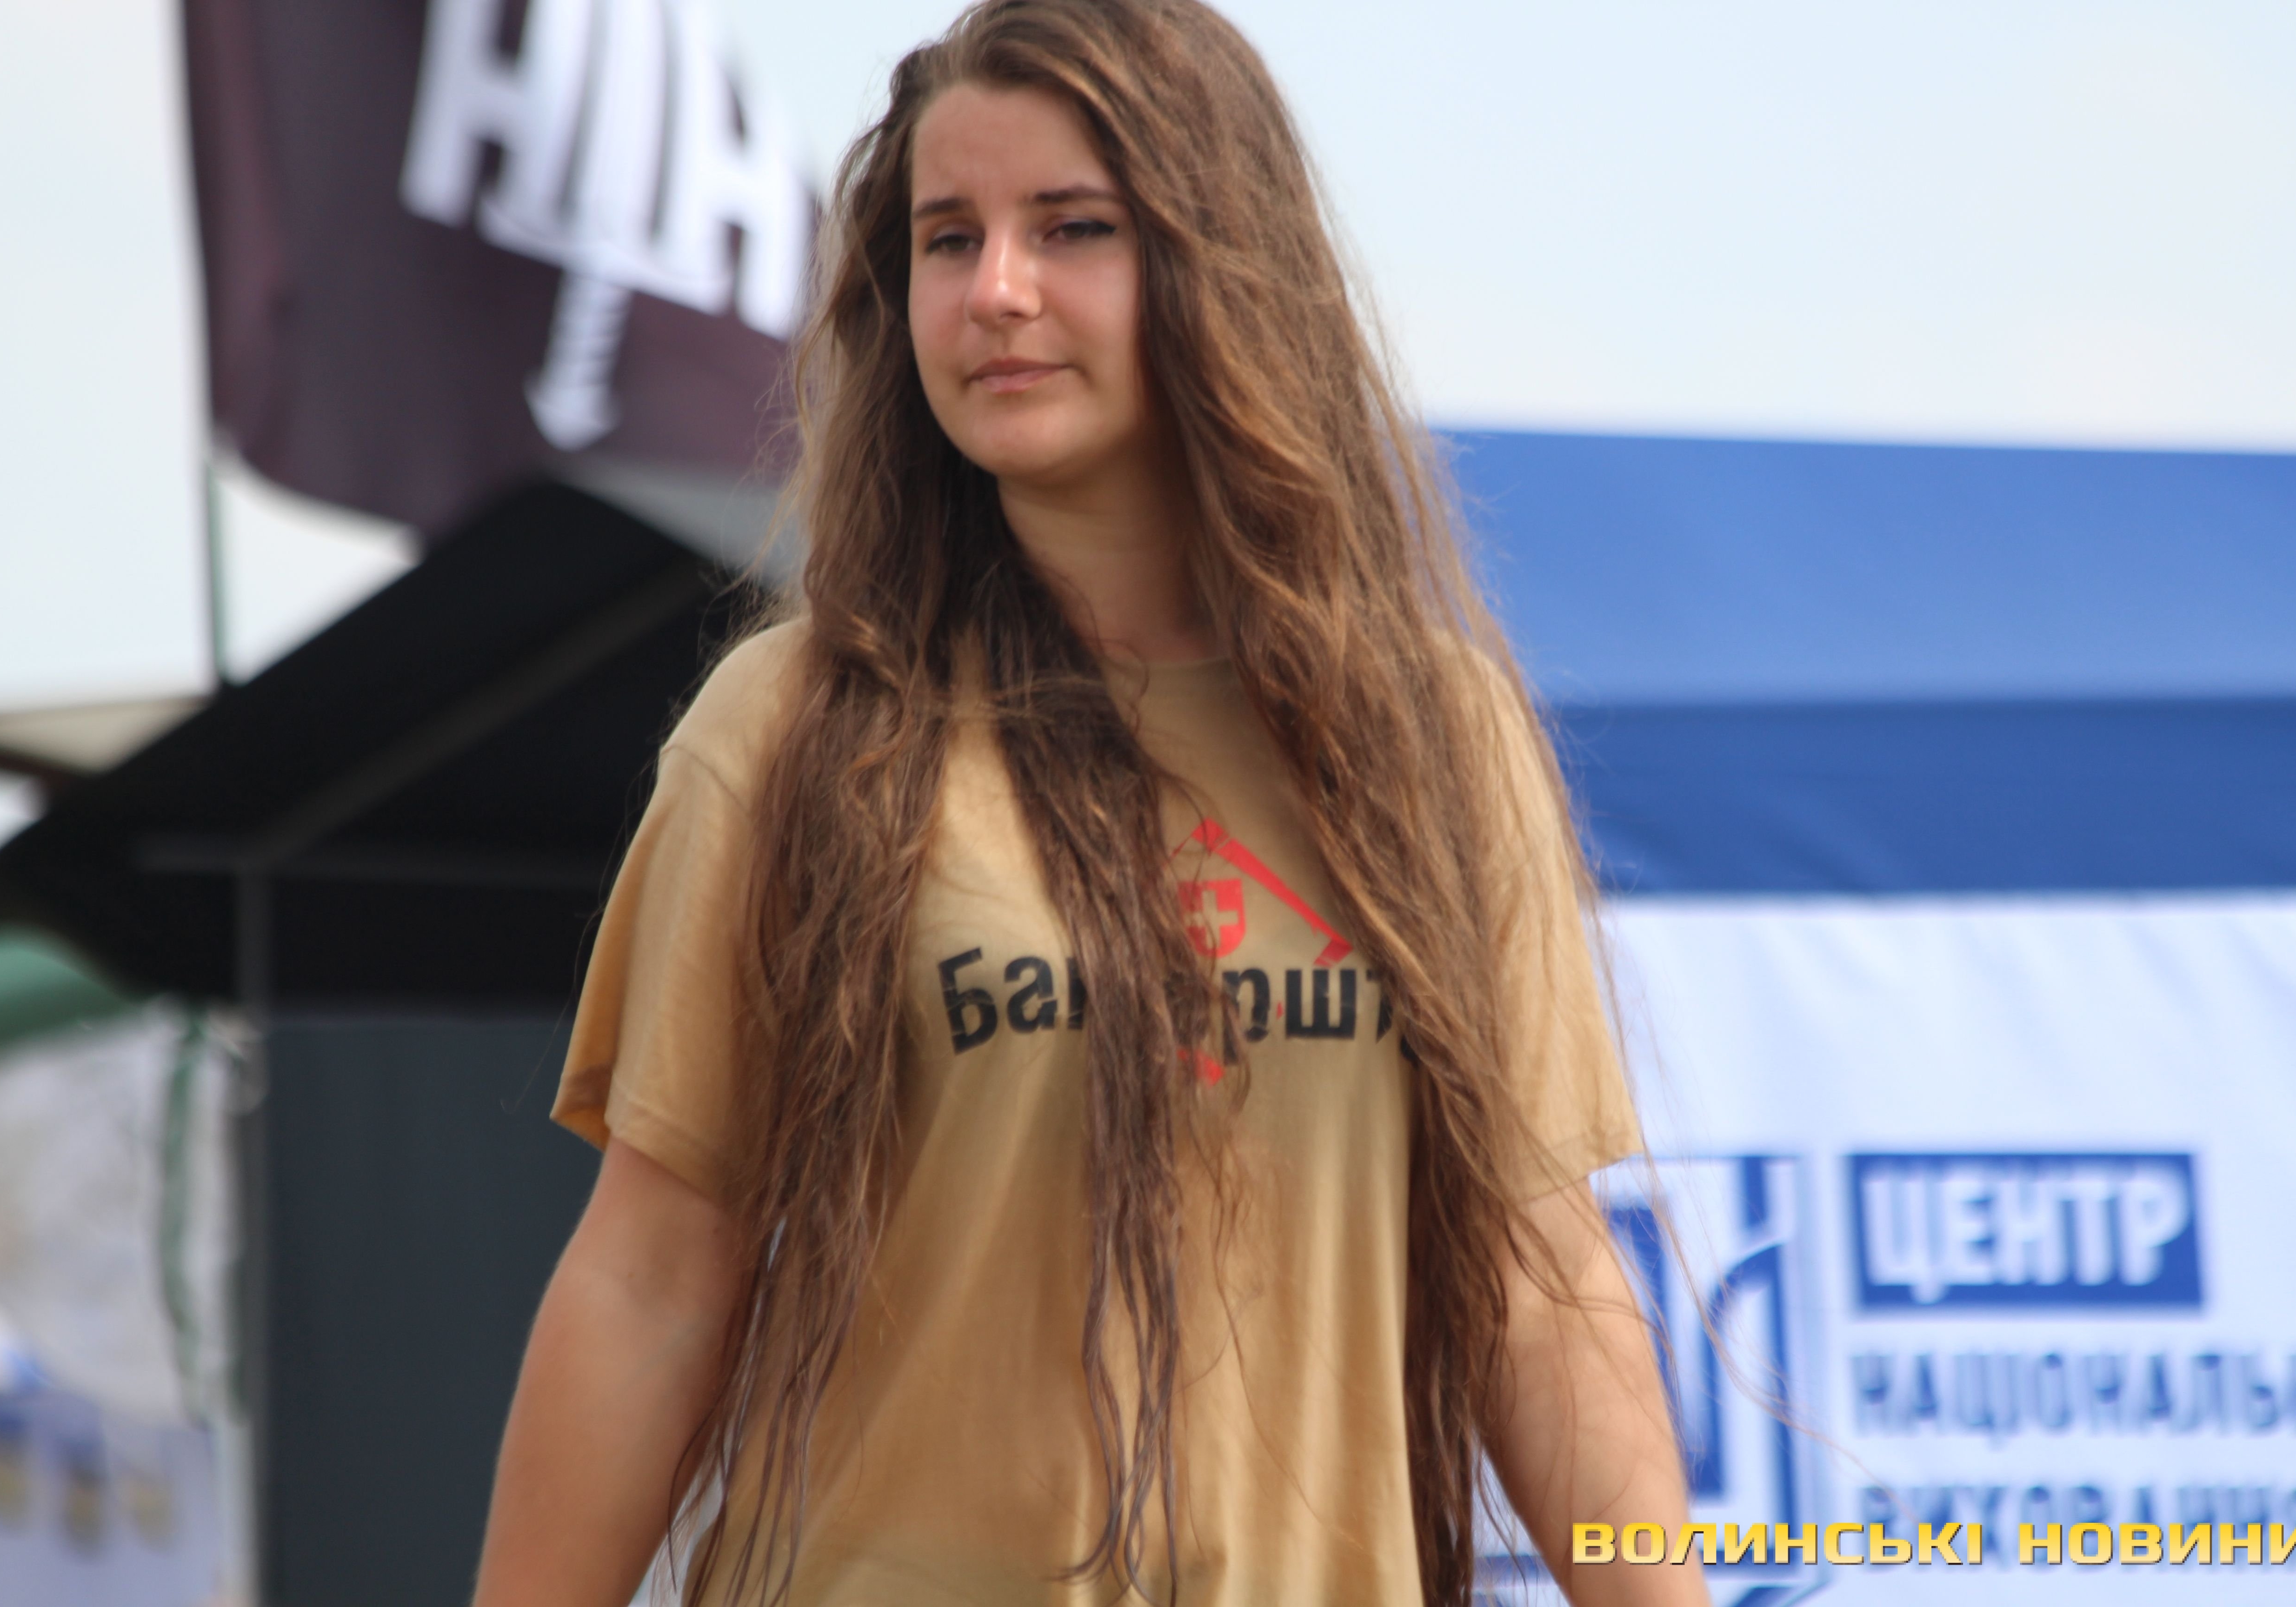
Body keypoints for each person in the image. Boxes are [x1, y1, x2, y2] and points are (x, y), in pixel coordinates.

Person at [473, 1, 1705, 1603]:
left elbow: (1544, 1290)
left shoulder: (1433, 743)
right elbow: (652, 1276)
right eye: (948, 238)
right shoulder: (797, 731)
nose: (996, 290)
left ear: (1220, 261)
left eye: (1072, 228)